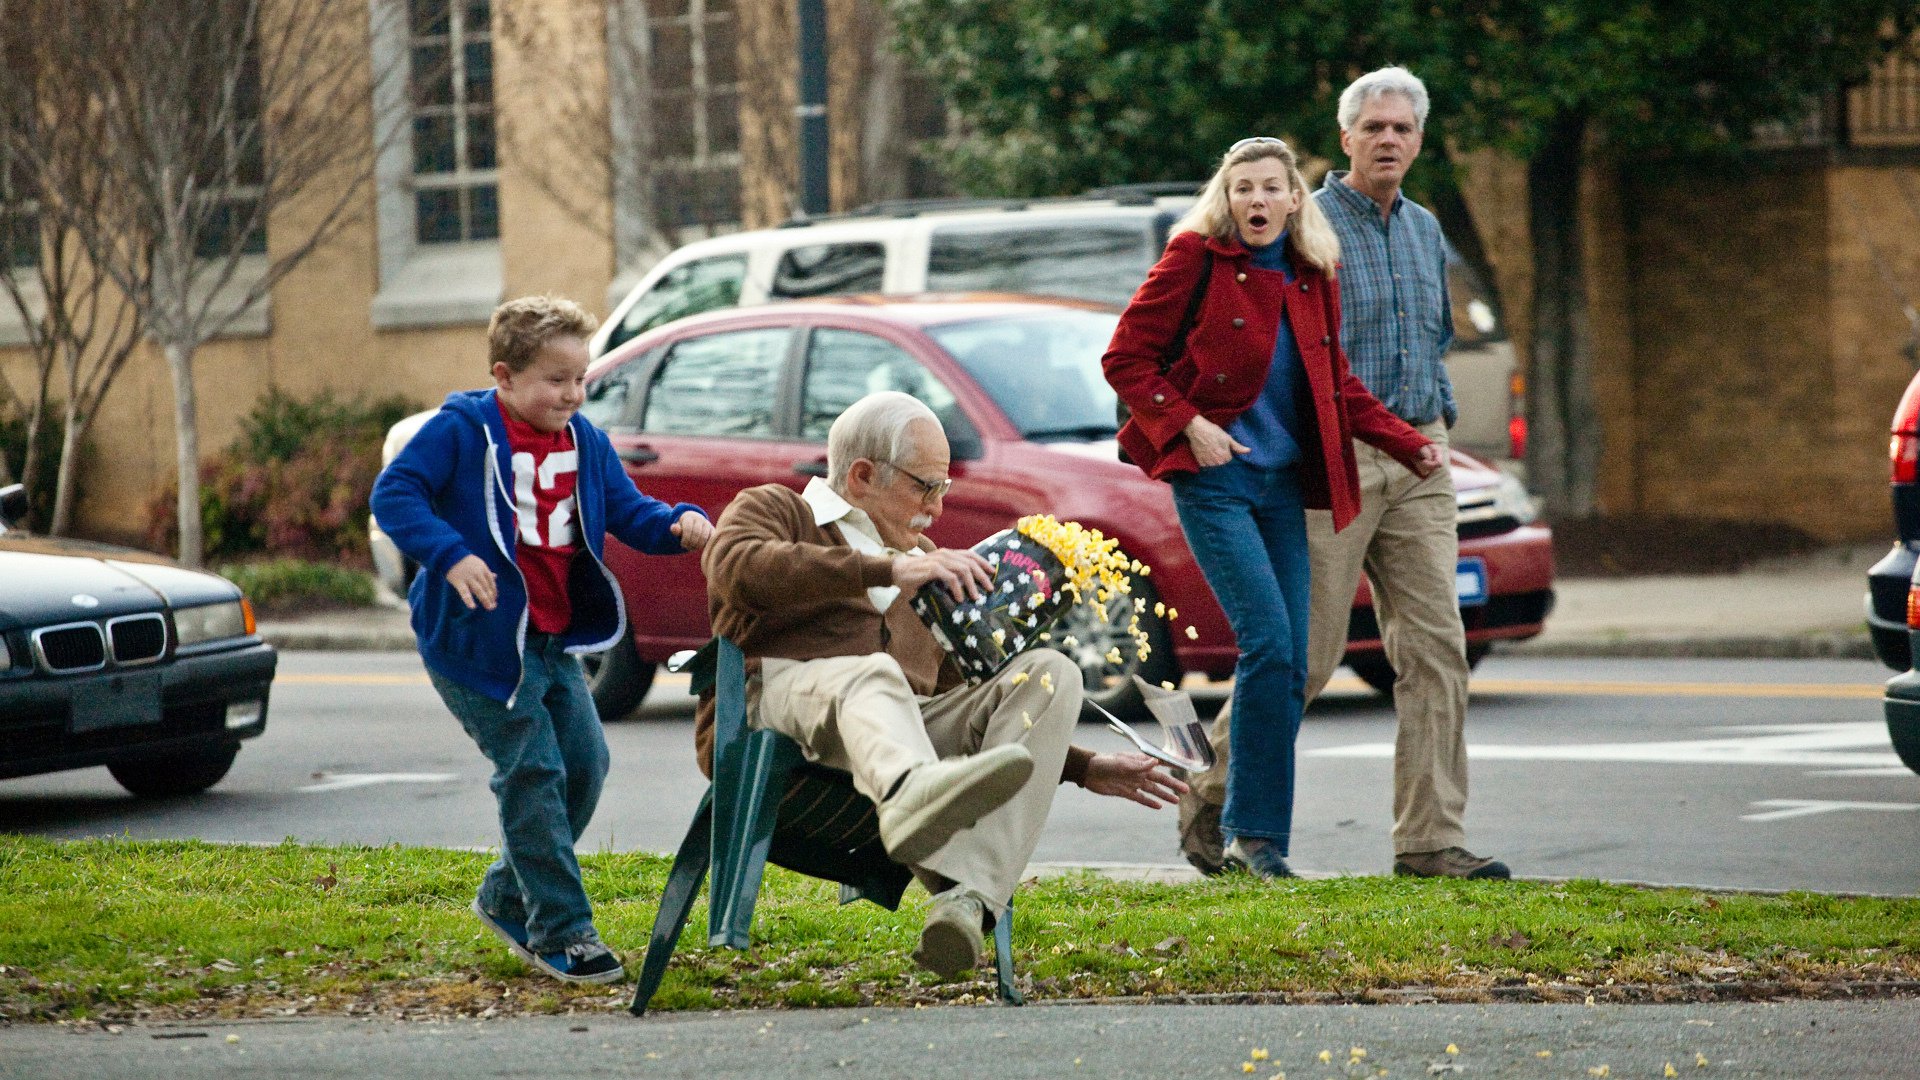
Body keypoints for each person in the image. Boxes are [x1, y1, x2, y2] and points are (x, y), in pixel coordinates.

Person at [699, 390, 1186, 976]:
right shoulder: (778, 509)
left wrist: (1082, 767)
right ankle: (911, 793)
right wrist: (887, 570)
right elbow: (736, 568)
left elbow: (961, 692)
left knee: (1050, 671)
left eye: (943, 488)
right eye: (924, 487)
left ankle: (966, 898)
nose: (935, 506)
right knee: (873, 673)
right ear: (861, 476)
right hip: (775, 712)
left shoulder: (926, 561)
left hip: (899, 729)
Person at [1178, 67, 1513, 881]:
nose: (1388, 140)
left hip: (1417, 450)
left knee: (1437, 649)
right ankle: (1213, 797)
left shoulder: (1426, 230)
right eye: (1374, 128)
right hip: (1333, 456)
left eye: (1402, 128)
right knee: (1305, 654)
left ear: (1419, 140)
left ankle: (1429, 840)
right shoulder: (1305, 225)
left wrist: (1432, 428)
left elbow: (1433, 338)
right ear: (1346, 139)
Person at [1103, 138, 1441, 879]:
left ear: (1294, 198)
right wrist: (1189, 424)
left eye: (1269, 188)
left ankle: (1254, 838)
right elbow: (1124, 358)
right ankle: (1251, 838)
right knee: (1269, 644)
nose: (1256, 200)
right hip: (1216, 482)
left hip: (1285, 485)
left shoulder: (1313, 273)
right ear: (1227, 199)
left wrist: (1407, 442)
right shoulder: (1195, 257)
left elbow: (1335, 383)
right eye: (1242, 188)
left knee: (1291, 665)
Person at [370, 295, 714, 985]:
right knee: (532, 771)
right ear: (504, 376)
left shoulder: (584, 441)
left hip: (554, 641)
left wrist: (679, 523)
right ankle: (561, 930)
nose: (572, 394)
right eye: (556, 380)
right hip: (479, 645)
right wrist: (451, 555)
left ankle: (505, 896)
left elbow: (629, 513)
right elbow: (395, 494)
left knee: (585, 766)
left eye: (580, 378)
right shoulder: (462, 430)